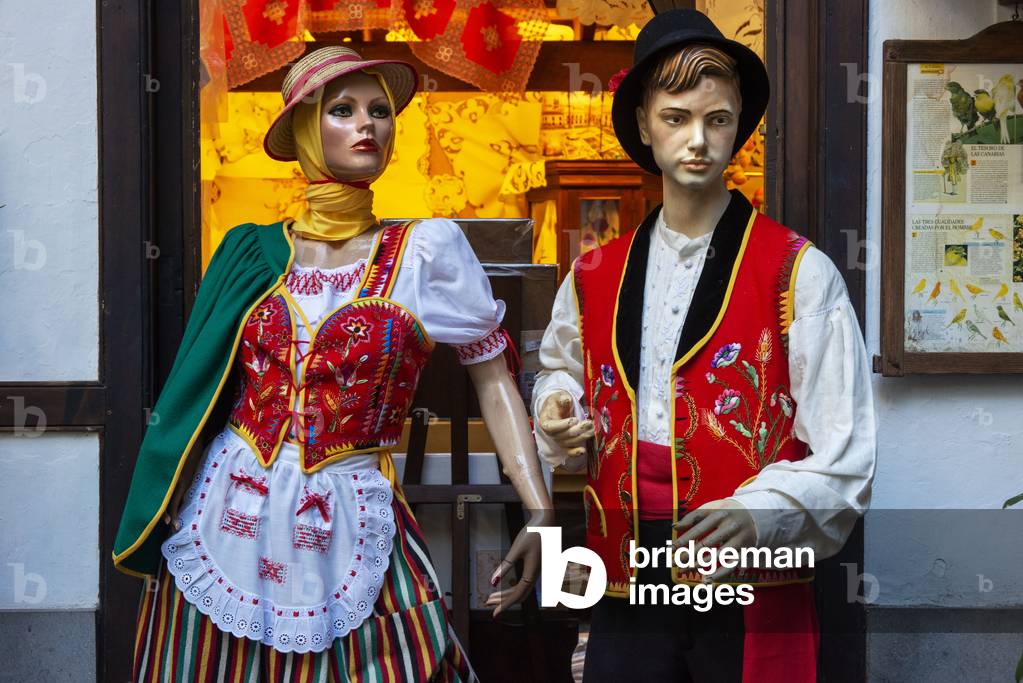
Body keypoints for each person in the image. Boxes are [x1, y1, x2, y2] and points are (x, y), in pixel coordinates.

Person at [113, 46, 553, 682]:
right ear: (302, 132)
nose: (368, 124)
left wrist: (538, 507)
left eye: (379, 111)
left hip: (351, 503)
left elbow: (492, 375)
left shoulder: (426, 253)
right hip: (228, 505)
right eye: (342, 111)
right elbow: (199, 387)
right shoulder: (249, 252)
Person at [532, 9, 876, 682]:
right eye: (675, 117)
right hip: (622, 572)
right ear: (642, 124)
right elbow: (561, 371)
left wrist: (757, 510)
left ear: (738, 126)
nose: (698, 140)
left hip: (747, 573)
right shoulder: (593, 274)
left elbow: (845, 448)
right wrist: (556, 411)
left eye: (716, 120)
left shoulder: (796, 270)